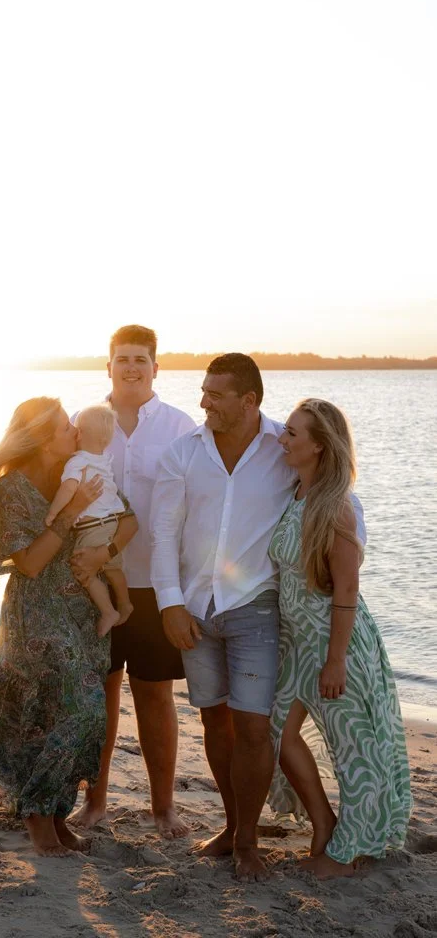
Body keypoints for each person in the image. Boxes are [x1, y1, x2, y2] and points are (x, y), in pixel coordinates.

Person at [150, 353, 365, 880]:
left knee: (253, 728)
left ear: (249, 401)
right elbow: (162, 534)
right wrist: (170, 604)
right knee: (214, 722)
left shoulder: (282, 449)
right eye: (203, 391)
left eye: (215, 394)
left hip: (256, 608)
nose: (203, 402)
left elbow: (327, 496)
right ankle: (232, 826)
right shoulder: (182, 452)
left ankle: (247, 842)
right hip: (195, 611)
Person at [0, 398, 139, 856]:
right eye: (66, 429)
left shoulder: (84, 471)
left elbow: (130, 517)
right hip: (35, 615)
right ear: (43, 440)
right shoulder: (13, 490)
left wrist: (105, 552)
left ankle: (56, 813)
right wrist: (70, 510)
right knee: (61, 711)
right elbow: (33, 563)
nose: (76, 434)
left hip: (83, 608)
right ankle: (39, 817)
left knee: (77, 712)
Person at [267, 399, 411, 879]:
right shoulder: (295, 495)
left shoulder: (337, 507)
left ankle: (350, 854)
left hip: (337, 644)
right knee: (279, 735)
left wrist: (336, 661)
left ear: (320, 446)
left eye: (291, 434)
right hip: (296, 646)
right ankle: (324, 823)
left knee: (357, 751)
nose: (282, 440)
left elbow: (347, 589)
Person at [70, 325, 196, 838]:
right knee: (99, 694)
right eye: (122, 358)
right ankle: (94, 804)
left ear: (155, 368)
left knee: (154, 695)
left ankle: (163, 807)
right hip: (91, 583)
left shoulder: (180, 427)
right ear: (108, 366)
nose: (131, 367)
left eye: (141, 359)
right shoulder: (83, 422)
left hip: (153, 584)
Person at [45, 403, 133, 637]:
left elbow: (68, 488)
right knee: (113, 567)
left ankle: (108, 611)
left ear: (80, 434)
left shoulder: (78, 461)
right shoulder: (103, 459)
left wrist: (54, 513)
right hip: (111, 521)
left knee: (84, 569)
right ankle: (124, 602)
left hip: (92, 525)